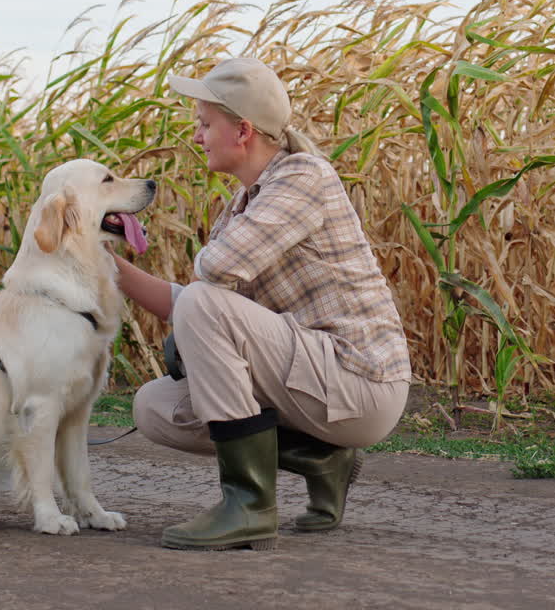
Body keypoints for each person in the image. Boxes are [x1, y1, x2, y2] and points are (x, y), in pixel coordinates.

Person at [112, 57, 411, 551]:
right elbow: (198, 302)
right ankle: (323, 460)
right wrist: (106, 267)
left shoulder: (302, 177)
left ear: (243, 130)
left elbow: (213, 279)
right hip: (313, 379)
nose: (198, 134)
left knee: (204, 306)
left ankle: (248, 506)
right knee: (155, 407)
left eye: (206, 124)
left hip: (360, 381)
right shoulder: (248, 203)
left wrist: (192, 324)